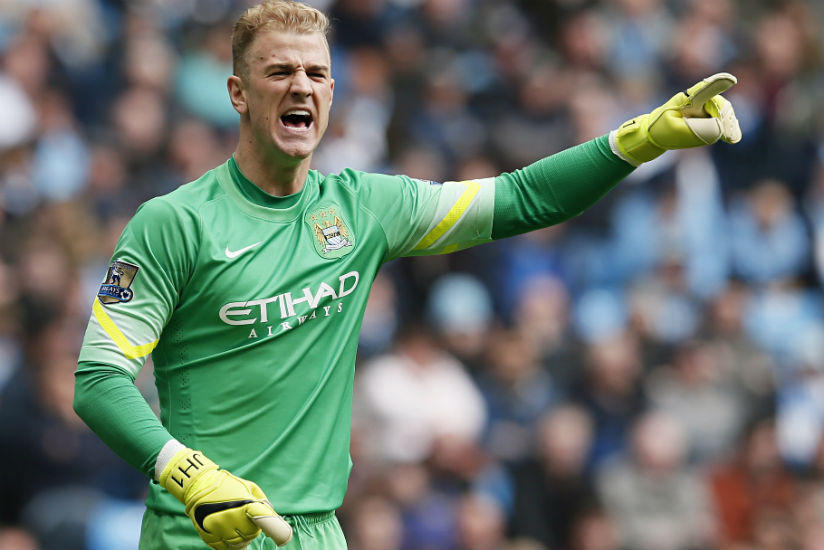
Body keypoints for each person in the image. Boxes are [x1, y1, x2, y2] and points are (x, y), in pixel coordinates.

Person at [72, 1, 742, 549]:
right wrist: (186, 474)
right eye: (279, 72)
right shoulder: (173, 223)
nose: (301, 86)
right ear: (238, 94)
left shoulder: (364, 209)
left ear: (331, 93)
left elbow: (522, 198)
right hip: (201, 531)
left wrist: (638, 141)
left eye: (315, 73)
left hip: (316, 533)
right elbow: (99, 380)